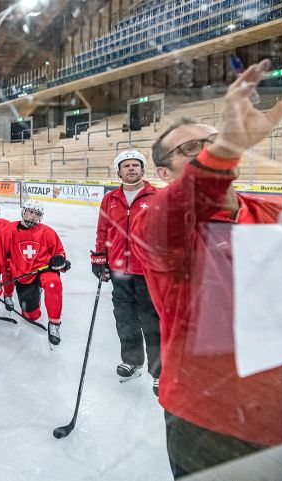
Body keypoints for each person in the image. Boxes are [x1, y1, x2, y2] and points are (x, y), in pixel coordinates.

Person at [130, 60, 282, 478]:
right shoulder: (160, 225)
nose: (204, 150)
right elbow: (176, 212)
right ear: (163, 174)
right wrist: (223, 150)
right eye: (191, 149)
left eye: (211, 141)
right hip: (209, 424)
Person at [93, 150, 161, 394]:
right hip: (119, 270)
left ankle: (159, 372)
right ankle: (132, 361)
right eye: (126, 166)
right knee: (125, 318)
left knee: (152, 321)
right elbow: (103, 230)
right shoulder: (110, 199)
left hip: (148, 271)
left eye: (136, 165)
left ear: (143, 170)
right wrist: (100, 257)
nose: (131, 169)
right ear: (118, 171)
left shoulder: (158, 197)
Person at [0, 200, 70, 346]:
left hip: (44, 269)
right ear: (23, 212)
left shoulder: (48, 232)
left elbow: (60, 254)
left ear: (40, 217)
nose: (33, 216)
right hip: (23, 274)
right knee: (31, 315)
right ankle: (35, 293)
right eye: (30, 212)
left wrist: (61, 261)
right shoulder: (9, 230)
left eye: (37, 214)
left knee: (53, 284)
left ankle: (54, 323)